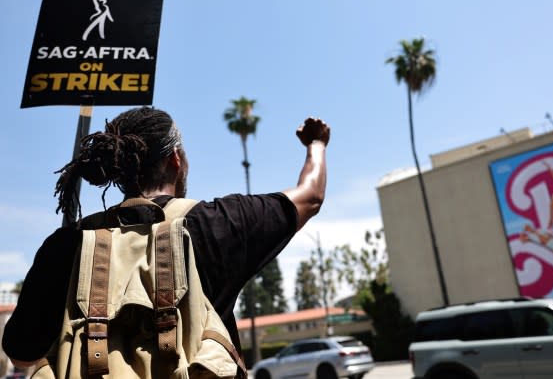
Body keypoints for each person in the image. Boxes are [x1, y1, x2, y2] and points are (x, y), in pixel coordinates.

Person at [2, 106, 330, 370]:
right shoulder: (219, 223)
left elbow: (21, 355)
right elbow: (309, 196)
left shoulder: (67, 243)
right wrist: (316, 144)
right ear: (176, 160)